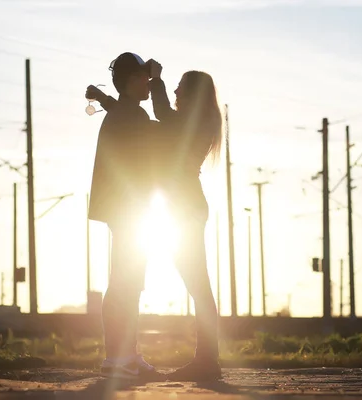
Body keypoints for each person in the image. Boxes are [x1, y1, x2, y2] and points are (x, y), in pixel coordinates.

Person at [87, 66, 222, 382]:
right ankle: (206, 360)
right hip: (177, 210)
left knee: (197, 286)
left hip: (184, 210)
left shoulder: (191, 123)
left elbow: (156, 112)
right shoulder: (183, 125)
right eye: (172, 87)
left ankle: (207, 360)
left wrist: (156, 80)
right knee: (196, 285)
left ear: (194, 97)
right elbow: (134, 120)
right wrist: (104, 98)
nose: (174, 93)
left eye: (180, 88)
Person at [87, 52, 164, 380]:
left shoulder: (123, 112)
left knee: (120, 281)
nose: (148, 82)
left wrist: (101, 96)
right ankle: (125, 358)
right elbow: (164, 139)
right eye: (144, 77)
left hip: (120, 209)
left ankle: (115, 357)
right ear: (132, 81)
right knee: (128, 284)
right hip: (132, 209)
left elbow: (115, 105)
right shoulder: (136, 117)